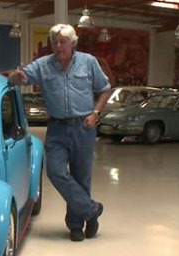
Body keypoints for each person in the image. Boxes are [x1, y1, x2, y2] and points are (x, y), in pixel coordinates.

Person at [8, 24, 111, 242]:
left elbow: (105, 88)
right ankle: (91, 209)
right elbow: (22, 77)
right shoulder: (43, 65)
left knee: (81, 177)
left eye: (63, 41)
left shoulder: (88, 62)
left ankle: (76, 225)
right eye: (54, 41)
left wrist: (95, 113)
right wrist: (16, 76)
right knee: (55, 171)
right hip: (56, 128)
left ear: (73, 43)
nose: (58, 46)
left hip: (83, 126)